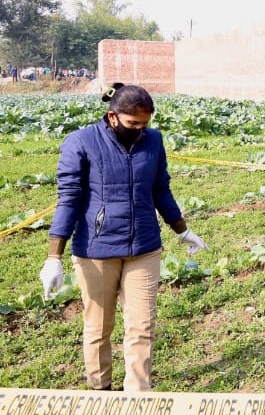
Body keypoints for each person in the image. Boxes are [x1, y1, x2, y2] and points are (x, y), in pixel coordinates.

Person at [38, 83, 209, 392]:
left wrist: (182, 229)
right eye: (133, 123)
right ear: (113, 116)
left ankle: (136, 397)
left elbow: (160, 189)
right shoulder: (81, 141)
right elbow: (69, 199)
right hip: (95, 251)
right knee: (98, 328)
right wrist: (54, 257)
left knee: (142, 327)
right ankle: (100, 390)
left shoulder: (153, 141)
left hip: (144, 247)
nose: (140, 130)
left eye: (145, 124)